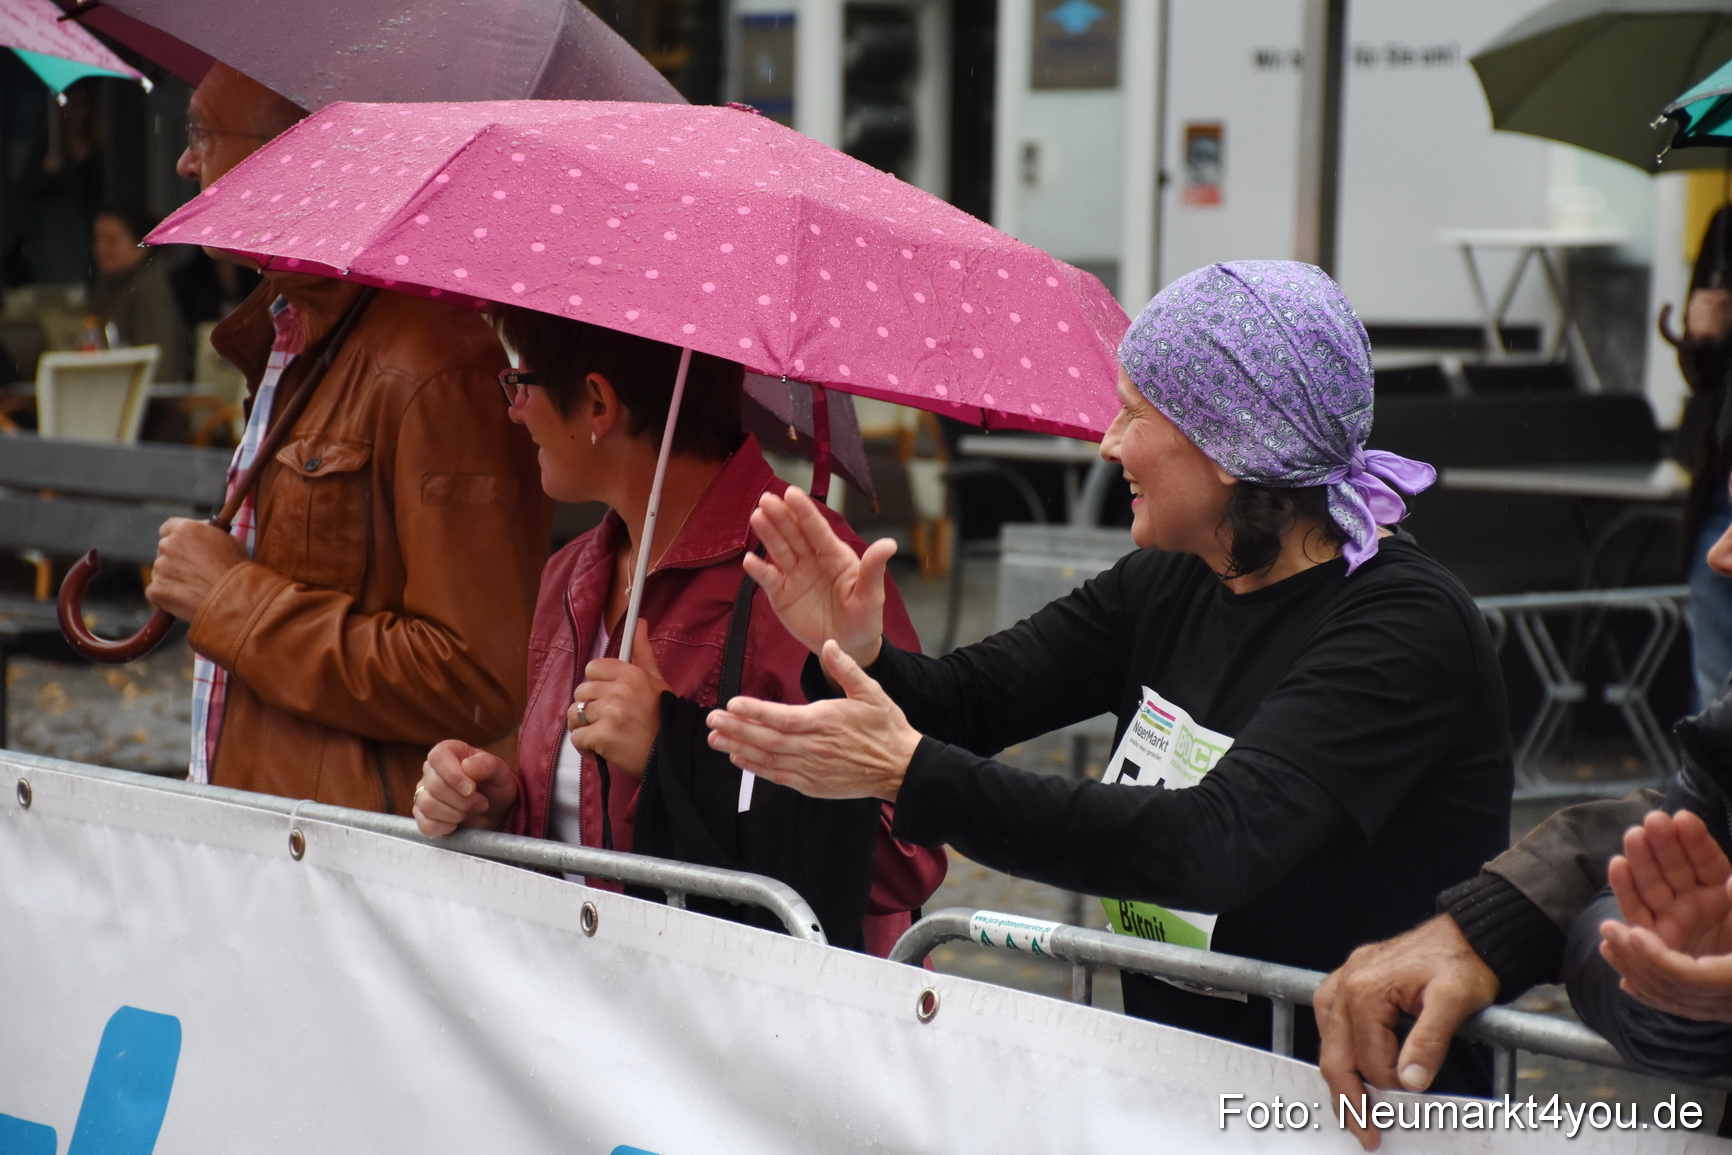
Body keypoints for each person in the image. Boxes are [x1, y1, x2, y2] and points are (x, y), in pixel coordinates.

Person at [705, 260, 1513, 1064]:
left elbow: (1213, 845)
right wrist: (853, 649)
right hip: (1176, 1084)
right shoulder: (1178, 575)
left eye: (1134, 414)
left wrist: (914, 775)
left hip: (1365, 1106)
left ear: (1227, 443)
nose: (1107, 443)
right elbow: (972, 700)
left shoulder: (1402, 625)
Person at [410, 310, 946, 953]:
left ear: (598, 403)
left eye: (520, 382)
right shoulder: (571, 575)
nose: (514, 411)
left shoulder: (810, 572)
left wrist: (674, 749)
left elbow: (903, 851)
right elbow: (585, 833)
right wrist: (501, 809)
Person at [146, 62, 551, 812]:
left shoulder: (437, 368)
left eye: (201, 132)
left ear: (294, 154)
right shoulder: (295, 333)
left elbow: (477, 681)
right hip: (275, 830)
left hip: (349, 862)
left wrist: (230, 597)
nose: (186, 161)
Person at [88, 206, 191, 382]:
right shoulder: (106, 288)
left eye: (111, 241)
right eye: (97, 240)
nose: (100, 249)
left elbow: (158, 367)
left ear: (141, 247)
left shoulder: (148, 290)